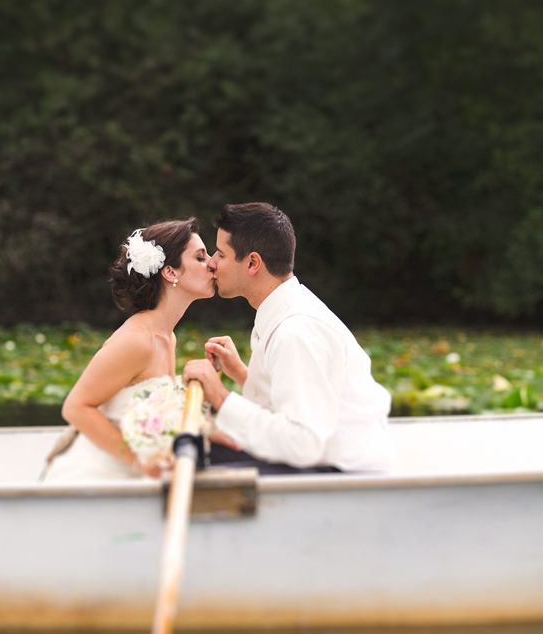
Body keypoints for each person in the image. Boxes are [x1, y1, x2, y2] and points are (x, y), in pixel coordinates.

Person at [183, 202, 395, 475]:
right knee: (201, 449)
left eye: (221, 254)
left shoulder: (296, 331)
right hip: (325, 455)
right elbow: (290, 403)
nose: (212, 262)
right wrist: (239, 373)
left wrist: (221, 397)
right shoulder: (283, 307)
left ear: (252, 263)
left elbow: (303, 444)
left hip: (342, 472)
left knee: (201, 467)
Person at [42, 218, 215, 483]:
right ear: (170, 273)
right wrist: (139, 462)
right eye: (201, 258)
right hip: (95, 479)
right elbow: (76, 408)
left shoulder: (168, 337)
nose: (213, 263)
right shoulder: (137, 340)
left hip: (135, 477)